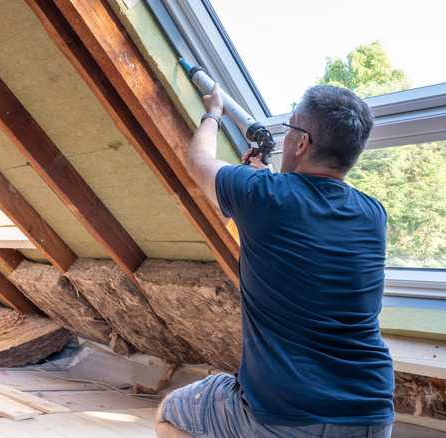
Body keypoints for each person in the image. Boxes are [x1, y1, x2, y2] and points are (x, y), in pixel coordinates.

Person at [156, 83, 394, 438]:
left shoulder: (261, 195)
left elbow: (198, 161)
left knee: (171, 412)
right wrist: (269, 181)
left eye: (290, 130)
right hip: (370, 414)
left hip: (283, 415)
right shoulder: (373, 214)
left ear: (301, 144)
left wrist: (213, 112)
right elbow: (305, 224)